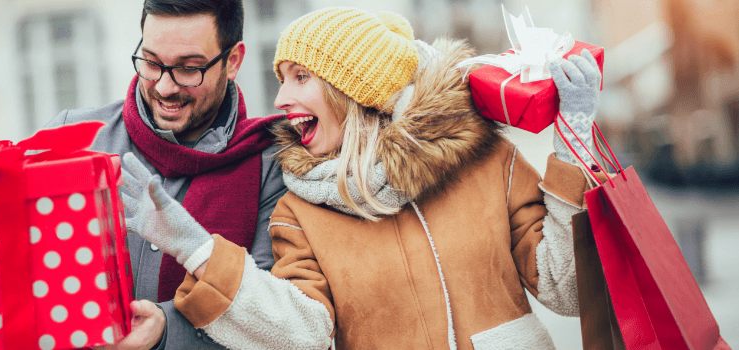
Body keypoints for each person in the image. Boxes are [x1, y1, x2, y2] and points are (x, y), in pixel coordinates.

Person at [120, 7, 606, 350]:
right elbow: (303, 334)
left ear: (354, 89)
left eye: (301, 77)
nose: (280, 99)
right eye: (282, 77)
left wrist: (574, 142)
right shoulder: (300, 211)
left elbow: (564, 290)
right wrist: (195, 247)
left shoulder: (484, 161)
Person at [0, 1, 286, 349]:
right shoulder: (74, 137)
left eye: (188, 69)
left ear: (233, 61)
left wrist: (167, 330)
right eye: (151, 61)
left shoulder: (268, 162)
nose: (164, 86)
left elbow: (271, 314)